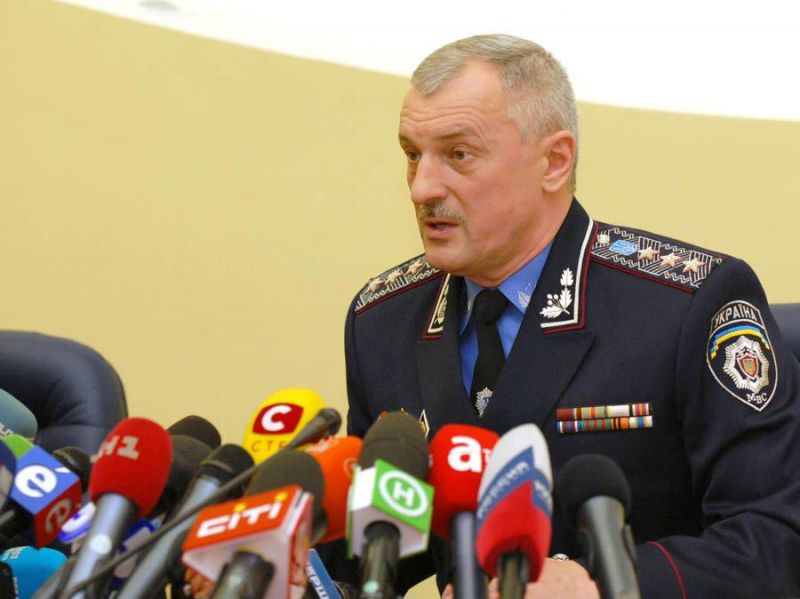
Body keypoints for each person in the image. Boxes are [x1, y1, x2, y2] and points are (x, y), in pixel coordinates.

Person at [341, 34, 800, 597]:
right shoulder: (382, 320)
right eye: (413, 154)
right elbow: (380, 547)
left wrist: (598, 584)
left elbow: (777, 538)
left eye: (458, 154)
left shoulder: (688, 304)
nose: (421, 188)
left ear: (554, 162)